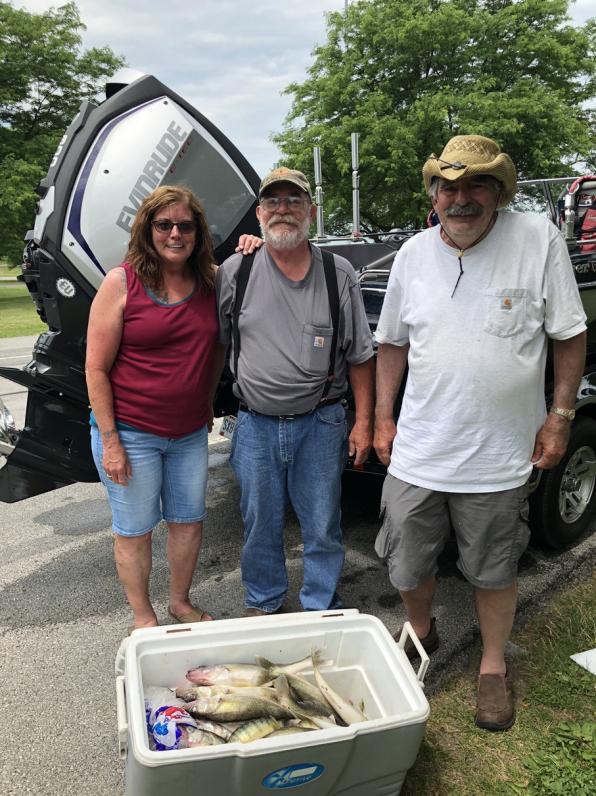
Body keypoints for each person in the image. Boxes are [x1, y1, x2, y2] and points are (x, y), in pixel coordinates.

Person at [373, 135, 587, 731]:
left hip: (500, 454)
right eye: (449, 186)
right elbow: (391, 342)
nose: (460, 198)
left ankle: (493, 666)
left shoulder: (536, 240)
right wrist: (382, 416)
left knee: (493, 567)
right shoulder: (413, 254)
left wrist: (560, 415)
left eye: (476, 186)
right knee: (408, 563)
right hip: (420, 449)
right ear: (433, 194)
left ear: (499, 192)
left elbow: (569, 334)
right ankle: (421, 629)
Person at [216, 167, 375, 616]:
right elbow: (216, 341)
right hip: (254, 425)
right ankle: (263, 603)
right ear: (259, 213)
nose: (283, 209)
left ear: (312, 210)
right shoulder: (236, 269)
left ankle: (320, 605)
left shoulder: (336, 271)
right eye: (273, 201)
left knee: (322, 524)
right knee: (259, 524)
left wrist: (363, 423)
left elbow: (361, 356)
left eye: (294, 200)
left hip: (322, 423)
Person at [85, 185, 224, 631]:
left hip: (186, 434)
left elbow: (216, 349)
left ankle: (180, 602)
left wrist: (205, 400)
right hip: (130, 432)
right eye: (164, 225)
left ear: (198, 232)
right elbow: (95, 368)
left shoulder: (210, 281)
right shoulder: (121, 282)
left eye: (186, 225)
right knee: (135, 529)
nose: (175, 233)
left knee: (188, 522)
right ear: (147, 230)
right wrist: (111, 441)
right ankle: (143, 617)